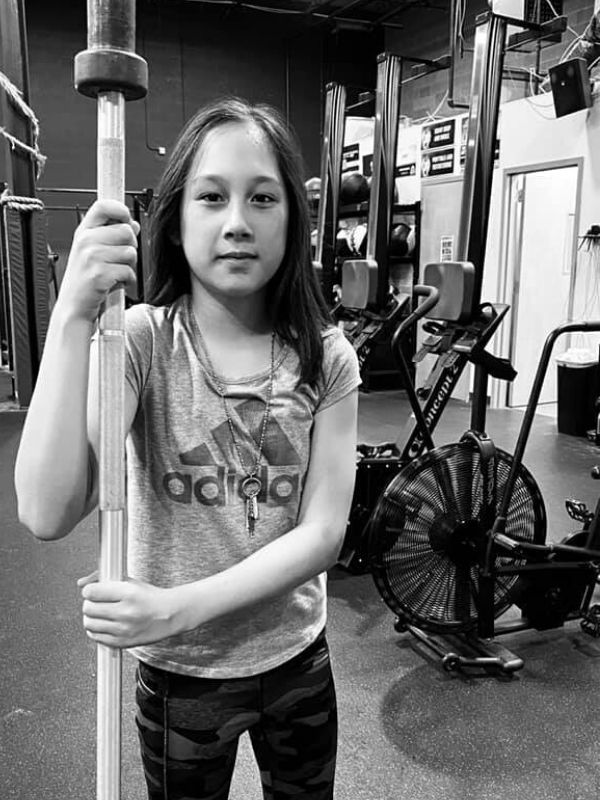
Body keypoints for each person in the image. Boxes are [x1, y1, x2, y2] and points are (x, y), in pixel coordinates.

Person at [14, 96, 360, 800]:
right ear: (175, 221)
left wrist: (176, 606)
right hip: (183, 676)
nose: (237, 222)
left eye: (262, 198)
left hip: (295, 659)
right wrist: (73, 313)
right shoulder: (141, 342)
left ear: (292, 219)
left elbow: (323, 535)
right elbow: (47, 511)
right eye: (211, 197)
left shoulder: (326, 355)